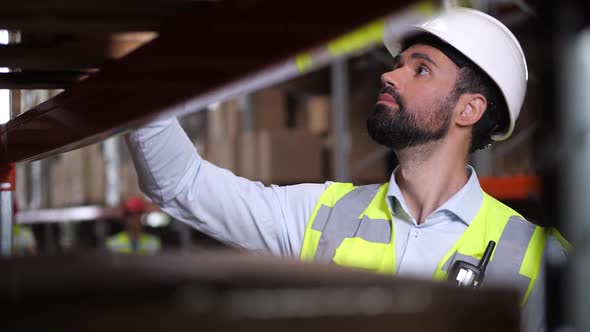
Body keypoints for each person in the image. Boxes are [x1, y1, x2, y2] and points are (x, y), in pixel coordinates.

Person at [125, 7, 569, 331]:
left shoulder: (541, 257)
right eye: (397, 66)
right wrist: (144, 80)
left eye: (421, 70)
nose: (390, 77)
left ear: (469, 109)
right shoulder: (322, 213)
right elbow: (182, 183)